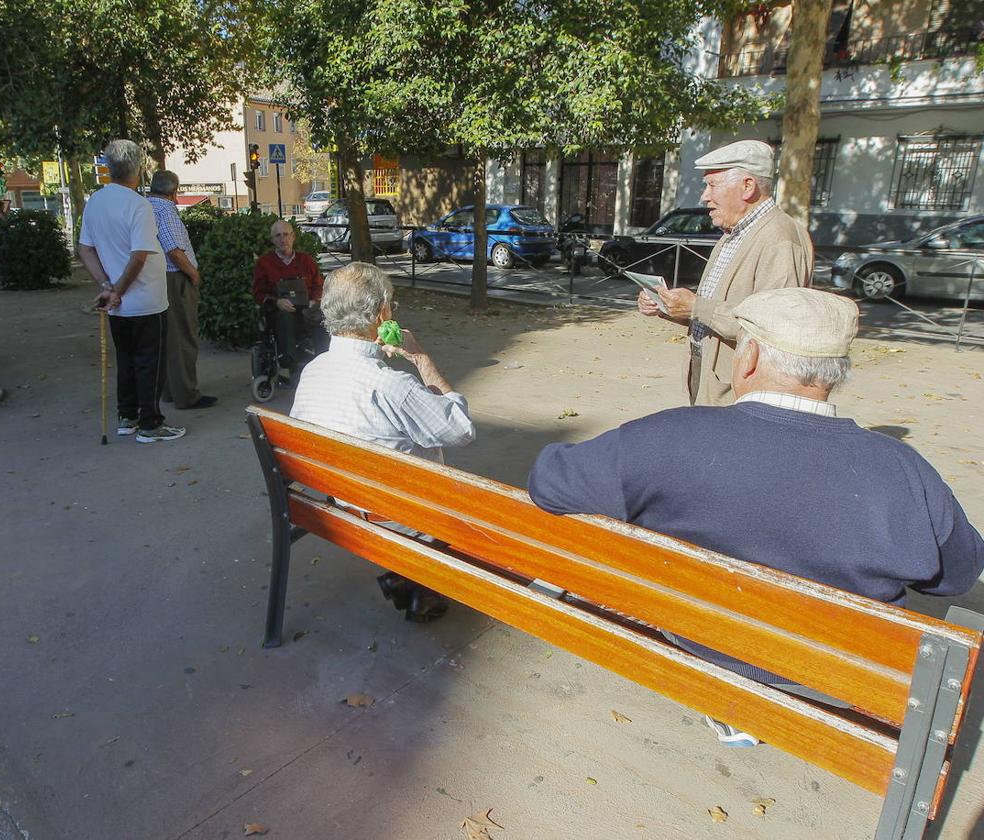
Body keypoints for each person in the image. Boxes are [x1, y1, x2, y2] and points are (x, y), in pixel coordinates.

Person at [530, 287, 984, 746]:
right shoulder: (902, 468)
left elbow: (548, 482)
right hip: (843, 676)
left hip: (695, 636)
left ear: (747, 359)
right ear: (836, 373)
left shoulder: (668, 436)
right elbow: (956, 576)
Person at [291, 262, 476, 621]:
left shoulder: (312, 371)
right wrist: (420, 357)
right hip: (400, 516)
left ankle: (410, 583)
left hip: (340, 503)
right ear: (381, 315)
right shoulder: (392, 386)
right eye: (391, 304)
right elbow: (462, 429)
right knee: (455, 499)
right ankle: (416, 579)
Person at [639, 139, 814, 406]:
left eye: (712, 185)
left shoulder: (779, 239)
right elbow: (718, 310)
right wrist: (668, 306)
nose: (704, 196)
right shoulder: (734, 233)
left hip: (741, 392)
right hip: (714, 378)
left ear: (747, 186)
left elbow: (774, 328)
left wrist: (697, 307)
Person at [78, 139, 184, 444]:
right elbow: (139, 256)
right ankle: (151, 424)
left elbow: (85, 249)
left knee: (125, 359)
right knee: (150, 362)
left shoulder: (95, 202)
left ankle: (128, 417)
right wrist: (117, 290)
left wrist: (106, 286)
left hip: (119, 304)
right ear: (138, 168)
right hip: (146, 300)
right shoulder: (139, 205)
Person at [147, 170, 216, 410]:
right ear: (173, 190)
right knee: (183, 337)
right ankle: (187, 394)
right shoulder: (165, 210)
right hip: (175, 279)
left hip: (157, 278)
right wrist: (194, 274)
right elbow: (174, 249)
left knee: (167, 337)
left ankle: (170, 391)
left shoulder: (145, 207)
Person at [252, 219, 325, 384]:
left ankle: (324, 362)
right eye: (278, 236)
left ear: (293, 237)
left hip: (308, 309)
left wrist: (314, 300)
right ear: (272, 240)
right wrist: (276, 301)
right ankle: (291, 363)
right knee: (285, 318)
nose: (282, 239)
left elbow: (318, 285)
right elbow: (258, 293)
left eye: (286, 235)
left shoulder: (305, 260)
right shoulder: (264, 263)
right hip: (280, 311)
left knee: (323, 319)